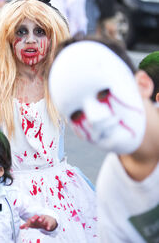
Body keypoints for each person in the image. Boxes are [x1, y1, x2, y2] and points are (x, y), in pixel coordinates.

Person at [0, 0, 98, 242]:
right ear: (7, 38)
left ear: (53, 38)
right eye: (21, 32)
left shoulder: (59, 83)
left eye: (40, 31)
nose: (30, 39)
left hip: (58, 191)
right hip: (9, 189)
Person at [49, 38, 159, 243]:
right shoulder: (111, 195)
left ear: (143, 85)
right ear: (77, 132)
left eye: (103, 94)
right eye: (77, 114)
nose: (95, 118)